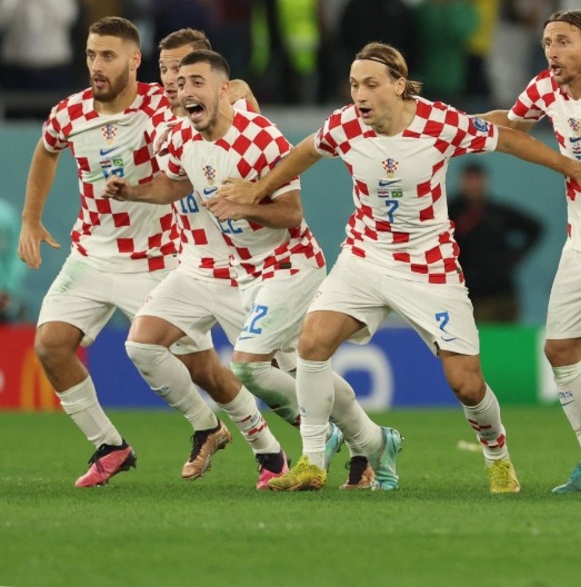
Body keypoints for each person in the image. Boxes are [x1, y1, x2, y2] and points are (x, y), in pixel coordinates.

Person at [216, 42, 581, 493]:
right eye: (353, 85)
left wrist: (570, 167)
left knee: (465, 384)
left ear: (399, 85)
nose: (359, 95)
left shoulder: (439, 122)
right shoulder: (344, 126)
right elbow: (305, 151)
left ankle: (497, 456)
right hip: (364, 256)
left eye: (370, 84)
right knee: (313, 342)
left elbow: (511, 140)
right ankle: (310, 460)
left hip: (429, 266)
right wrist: (261, 188)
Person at [107, 49, 399, 491]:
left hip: (290, 266)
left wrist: (244, 204)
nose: (182, 90)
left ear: (224, 88)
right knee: (304, 370)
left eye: (194, 81)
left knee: (251, 367)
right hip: (243, 273)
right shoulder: (181, 138)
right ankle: (372, 443)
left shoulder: (260, 137)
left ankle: (331, 443)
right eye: (177, 81)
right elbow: (176, 182)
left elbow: (292, 214)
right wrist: (134, 191)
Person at [17, 16, 179, 487]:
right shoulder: (69, 112)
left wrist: (240, 90)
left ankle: (270, 449)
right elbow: (47, 150)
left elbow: (214, 94)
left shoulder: (159, 104)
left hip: (156, 257)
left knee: (203, 365)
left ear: (134, 59)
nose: (96, 65)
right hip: (91, 256)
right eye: (90, 55)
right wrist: (31, 217)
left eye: (107, 55)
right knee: (49, 345)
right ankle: (110, 445)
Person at [477, 9, 581, 492]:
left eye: (563, 41)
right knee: (561, 349)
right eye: (547, 41)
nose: (551, 51)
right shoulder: (545, 88)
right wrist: (450, 126)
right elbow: (515, 123)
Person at [447, 162, 543, 323]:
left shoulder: (497, 212)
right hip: (470, 293)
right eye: (469, 180)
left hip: (503, 290)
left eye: (477, 180)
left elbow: (535, 228)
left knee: (507, 343)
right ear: (461, 182)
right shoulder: (450, 213)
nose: (473, 185)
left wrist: (515, 256)